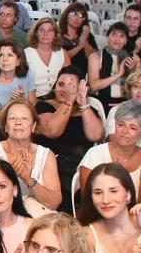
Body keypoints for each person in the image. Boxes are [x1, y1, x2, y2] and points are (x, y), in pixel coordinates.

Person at [35, 67, 104, 212]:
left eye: (71, 86)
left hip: (83, 167)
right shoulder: (43, 106)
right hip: (53, 166)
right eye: (61, 84)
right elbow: (53, 130)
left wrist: (83, 104)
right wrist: (69, 100)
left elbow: (96, 135)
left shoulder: (87, 109)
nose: (64, 89)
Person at [0, 100, 62, 214]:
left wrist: (27, 179)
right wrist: (8, 175)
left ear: (33, 126)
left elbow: (53, 203)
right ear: (5, 126)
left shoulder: (47, 155)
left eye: (25, 118)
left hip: (38, 221)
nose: (18, 122)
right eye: (12, 118)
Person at [78, 100, 141, 206]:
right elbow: (88, 200)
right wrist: (115, 176)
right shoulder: (95, 154)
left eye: (132, 128)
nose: (125, 131)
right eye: (121, 125)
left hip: (136, 219)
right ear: (115, 125)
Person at [0, 40, 35, 131]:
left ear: (18, 61)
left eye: (10, 55)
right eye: (1, 55)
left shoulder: (27, 76)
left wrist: (22, 101)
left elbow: (34, 111)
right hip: (0, 132)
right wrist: (10, 103)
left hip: (24, 129)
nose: (4, 59)